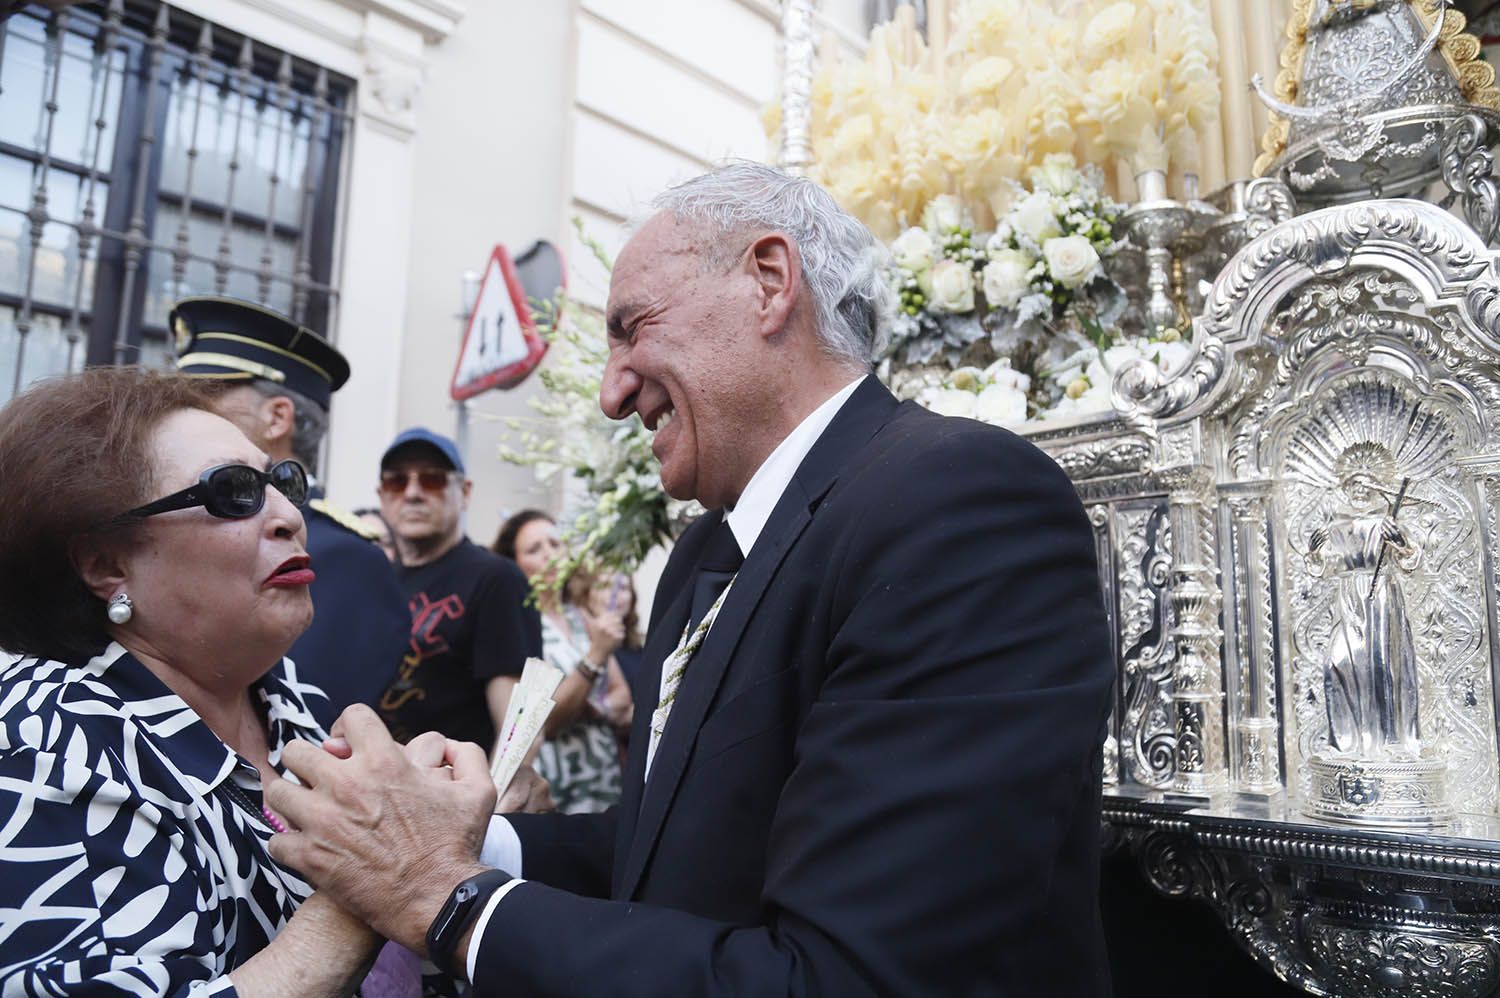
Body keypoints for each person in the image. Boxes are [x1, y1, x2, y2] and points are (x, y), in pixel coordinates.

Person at [267, 163, 1115, 995]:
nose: (610, 392)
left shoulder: (956, 505)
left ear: (769, 281)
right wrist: (465, 840)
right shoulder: (706, 550)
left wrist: (444, 902)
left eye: (632, 327)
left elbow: (854, 972)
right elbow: (675, 853)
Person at [0, 367, 387, 993]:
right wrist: (377, 880)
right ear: (106, 564)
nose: (289, 514)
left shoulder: (282, 691)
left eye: (282, 481)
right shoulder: (47, 751)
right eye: (233, 492)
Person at [173, 295, 409, 731]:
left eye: (204, 399)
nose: (182, 415)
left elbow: (309, 732)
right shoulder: (185, 526)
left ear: (278, 418)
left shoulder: (344, 558)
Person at [376, 429, 542, 750]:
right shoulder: (375, 579)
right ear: (381, 495)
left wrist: (497, 795)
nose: (412, 493)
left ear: (465, 492)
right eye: (397, 481)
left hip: (452, 787)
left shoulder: (496, 578)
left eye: (432, 479)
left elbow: (518, 727)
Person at [492, 510, 632, 813]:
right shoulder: (520, 624)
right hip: (553, 779)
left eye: (556, 544)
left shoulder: (580, 614)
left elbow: (621, 696)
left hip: (601, 772)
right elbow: (542, 720)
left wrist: (588, 706)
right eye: (534, 549)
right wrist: (594, 657)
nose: (550, 555)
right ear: (513, 563)